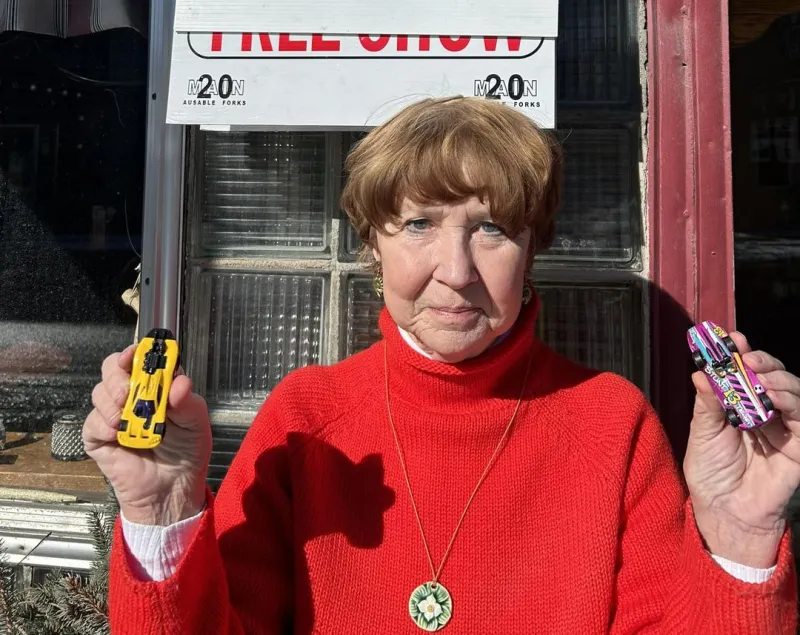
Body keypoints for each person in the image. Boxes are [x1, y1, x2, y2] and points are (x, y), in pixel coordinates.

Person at [84, 97, 800, 634]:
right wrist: (162, 515)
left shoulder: (610, 423)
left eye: (491, 228)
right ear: (372, 244)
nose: (455, 271)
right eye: (419, 224)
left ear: (533, 245)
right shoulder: (308, 419)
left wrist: (740, 539)